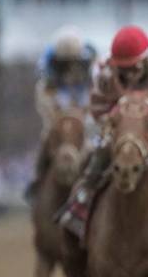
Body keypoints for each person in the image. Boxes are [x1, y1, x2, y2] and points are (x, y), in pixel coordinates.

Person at [58, 25, 148, 237]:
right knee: (101, 146)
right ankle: (84, 197)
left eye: (134, 68)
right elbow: (98, 109)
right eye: (123, 70)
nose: (130, 75)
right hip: (122, 121)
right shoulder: (105, 73)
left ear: (145, 61)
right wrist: (113, 127)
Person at [25, 26, 97, 201]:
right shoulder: (47, 79)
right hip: (58, 123)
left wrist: (84, 119)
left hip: (85, 125)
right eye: (65, 64)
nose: (70, 69)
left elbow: (94, 102)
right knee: (46, 138)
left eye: (74, 63)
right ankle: (37, 179)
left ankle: (97, 182)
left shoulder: (92, 76)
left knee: (94, 146)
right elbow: (44, 103)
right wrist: (58, 120)